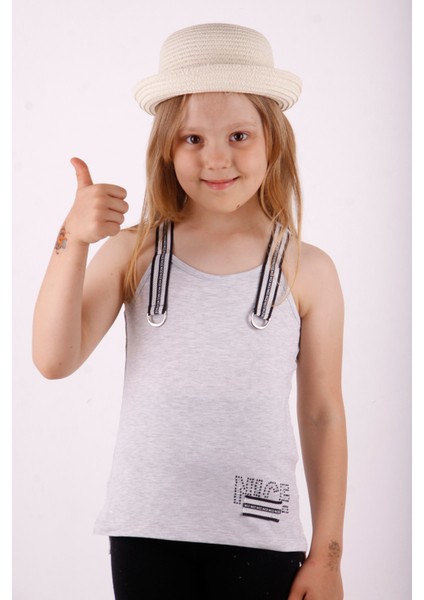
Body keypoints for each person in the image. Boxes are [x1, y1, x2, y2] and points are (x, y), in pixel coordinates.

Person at [33, 23, 347, 600]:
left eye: (239, 135)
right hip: (145, 534)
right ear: (166, 148)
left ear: (273, 141)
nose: (217, 158)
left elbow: (322, 414)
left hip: (262, 535)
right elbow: (54, 360)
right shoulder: (134, 251)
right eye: (193, 139)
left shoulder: (310, 270)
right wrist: (71, 239)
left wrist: (327, 556)